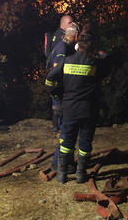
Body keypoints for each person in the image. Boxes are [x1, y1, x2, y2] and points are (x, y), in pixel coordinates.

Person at [45, 32, 103, 184]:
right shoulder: (95, 63)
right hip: (88, 110)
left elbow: (50, 78)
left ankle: (62, 175)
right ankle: (81, 175)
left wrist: (56, 93)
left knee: (66, 142)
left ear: (77, 43)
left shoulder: (67, 61)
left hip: (69, 109)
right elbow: (101, 80)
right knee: (85, 143)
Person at [47, 22, 80, 172]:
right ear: (76, 36)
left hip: (63, 96)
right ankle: (57, 162)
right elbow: (57, 75)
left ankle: (67, 161)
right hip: (61, 96)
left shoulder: (65, 47)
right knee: (67, 130)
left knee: (69, 129)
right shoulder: (62, 49)